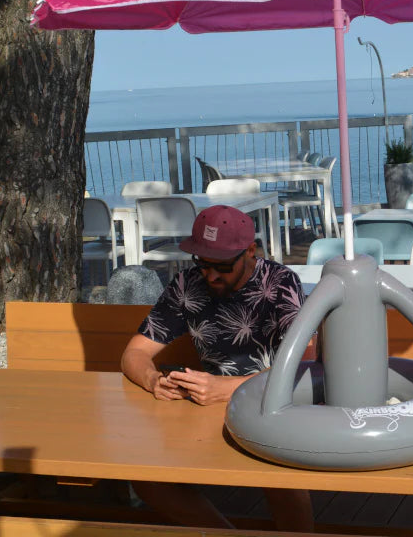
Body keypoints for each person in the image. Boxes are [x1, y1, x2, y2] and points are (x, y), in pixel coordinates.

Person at [121, 204, 313, 531]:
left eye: (221, 266)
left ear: (250, 251)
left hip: (273, 407)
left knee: (281, 475)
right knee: (145, 478)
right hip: (203, 412)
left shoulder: (280, 283)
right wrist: (153, 379)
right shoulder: (187, 285)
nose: (209, 275)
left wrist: (224, 388)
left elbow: (304, 368)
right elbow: (134, 354)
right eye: (202, 263)